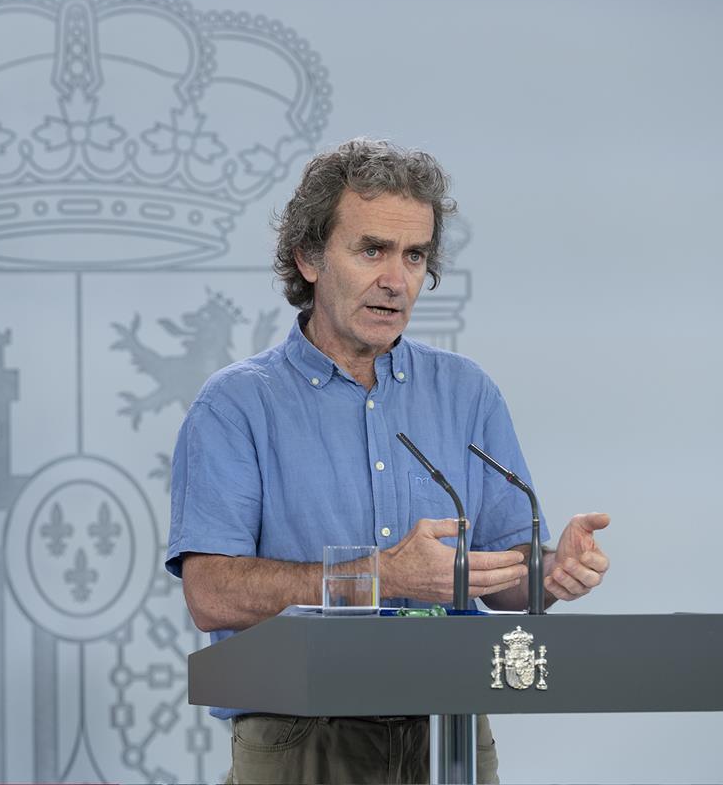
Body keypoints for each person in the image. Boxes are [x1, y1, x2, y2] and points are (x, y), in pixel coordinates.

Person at [165, 139, 610, 785]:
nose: (396, 280)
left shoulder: (466, 392)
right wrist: (382, 575)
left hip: (448, 725)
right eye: (371, 249)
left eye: (414, 255)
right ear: (309, 257)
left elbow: (508, 575)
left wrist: (549, 572)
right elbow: (209, 592)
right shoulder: (237, 405)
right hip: (304, 731)